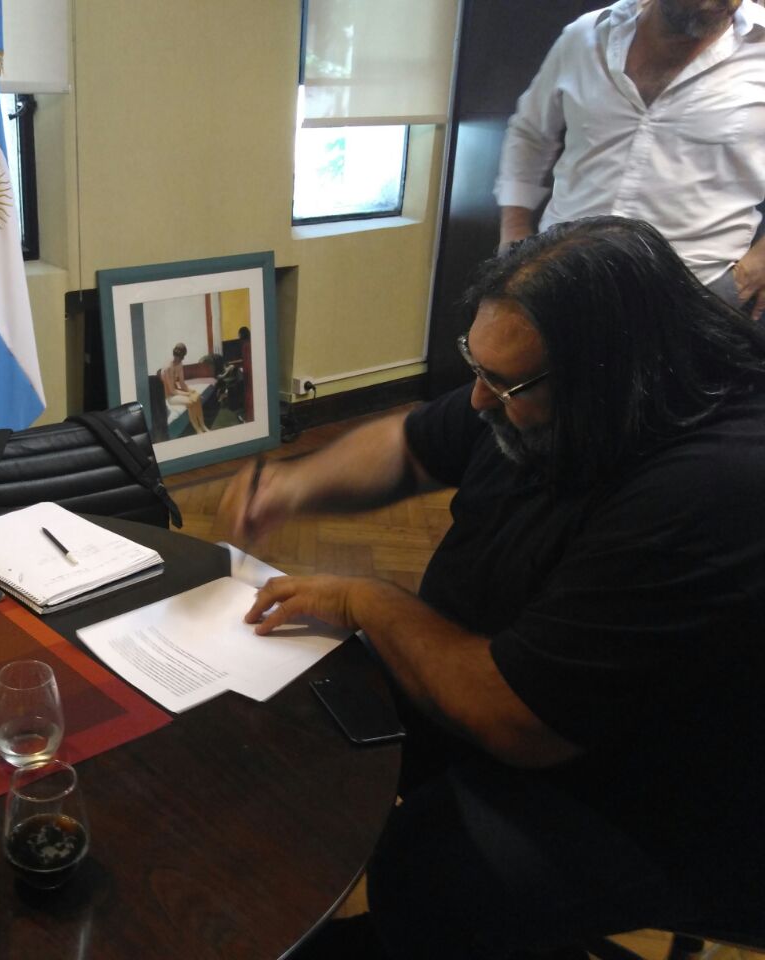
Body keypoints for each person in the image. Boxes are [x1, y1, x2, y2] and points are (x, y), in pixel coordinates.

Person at [219, 217, 765, 958]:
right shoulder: (542, 389)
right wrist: (291, 485)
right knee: (314, 716)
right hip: (513, 684)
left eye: (503, 384)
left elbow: (519, 720)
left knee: (437, 864)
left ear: (611, 377)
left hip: (668, 792)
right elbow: (412, 444)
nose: (478, 399)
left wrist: (367, 600)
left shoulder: (712, 483)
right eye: (476, 366)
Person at [495, 0, 765, 319]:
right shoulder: (586, 36)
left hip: (699, 294)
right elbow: (530, 133)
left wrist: (757, 263)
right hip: (563, 281)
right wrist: (514, 230)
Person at [159, 342, 210, 433]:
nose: (182, 360)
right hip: (170, 396)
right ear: (176, 356)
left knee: (197, 397)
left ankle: (203, 425)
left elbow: (182, 384)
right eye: (181, 357)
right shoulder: (168, 368)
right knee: (190, 402)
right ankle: (198, 429)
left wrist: (192, 391)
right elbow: (172, 391)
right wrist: (189, 394)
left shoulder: (179, 364)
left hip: (176, 391)